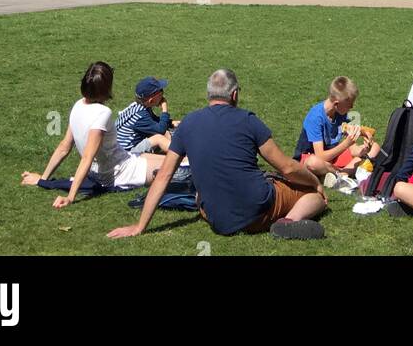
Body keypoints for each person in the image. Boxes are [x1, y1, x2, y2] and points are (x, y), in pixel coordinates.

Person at [107, 68, 327, 241]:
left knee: (200, 194)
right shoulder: (248, 120)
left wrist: (139, 226)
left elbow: (163, 176)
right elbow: (287, 167)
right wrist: (314, 182)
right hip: (257, 210)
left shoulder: (189, 123)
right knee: (313, 197)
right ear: (234, 94)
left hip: (217, 218)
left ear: (208, 94)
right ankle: (288, 221)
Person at [21, 62, 165, 206]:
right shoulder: (102, 113)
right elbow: (87, 157)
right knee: (176, 169)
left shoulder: (78, 105)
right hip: (121, 173)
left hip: (120, 162)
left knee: (176, 160)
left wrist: (42, 179)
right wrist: (70, 198)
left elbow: (64, 147)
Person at [293, 76, 380, 180]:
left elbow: (352, 149)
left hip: (332, 157)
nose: (352, 107)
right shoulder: (315, 117)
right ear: (336, 104)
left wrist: (365, 148)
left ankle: (340, 175)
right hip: (311, 158)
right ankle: (343, 174)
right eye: (349, 105)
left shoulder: (341, 113)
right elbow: (320, 156)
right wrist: (346, 144)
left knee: (375, 147)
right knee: (313, 163)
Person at [115, 77, 175, 155]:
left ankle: (173, 155)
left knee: (166, 134)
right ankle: (181, 158)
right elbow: (160, 130)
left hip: (122, 148)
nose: (163, 95)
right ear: (151, 100)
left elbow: (154, 121)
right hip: (126, 153)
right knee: (158, 138)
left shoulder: (140, 107)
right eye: (160, 92)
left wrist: (171, 122)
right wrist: (164, 108)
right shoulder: (140, 116)